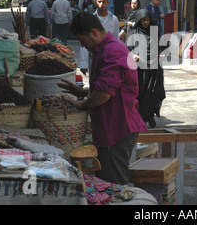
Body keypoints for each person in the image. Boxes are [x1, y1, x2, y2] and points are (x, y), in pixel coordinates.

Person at [58, 11, 147, 185]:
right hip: (112, 126)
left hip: (117, 128)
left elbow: (104, 94)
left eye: (82, 41)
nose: (82, 46)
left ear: (93, 32)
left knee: (114, 186)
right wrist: (82, 91)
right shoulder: (105, 48)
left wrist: (82, 104)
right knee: (107, 183)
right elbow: (109, 86)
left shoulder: (112, 50)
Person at [126, 9, 166, 128]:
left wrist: (161, 54)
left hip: (153, 68)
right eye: (143, 20)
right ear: (139, 20)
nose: (146, 22)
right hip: (139, 69)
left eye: (148, 20)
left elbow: (161, 46)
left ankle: (150, 116)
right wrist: (133, 55)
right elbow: (127, 50)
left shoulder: (154, 31)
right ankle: (140, 117)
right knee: (141, 92)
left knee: (152, 92)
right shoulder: (134, 33)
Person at [79, 0, 119, 75]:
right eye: (99, 2)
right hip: (94, 56)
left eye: (104, 2)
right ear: (96, 3)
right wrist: (83, 64)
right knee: (95, 82)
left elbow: (116, 40)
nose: (102, 4)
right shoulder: (90, 20)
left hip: (109, 57)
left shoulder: (114, 19)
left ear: (108, 3)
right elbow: (85, 40)